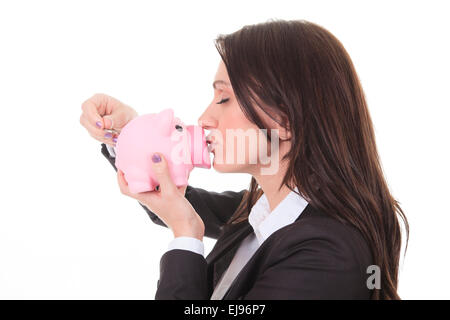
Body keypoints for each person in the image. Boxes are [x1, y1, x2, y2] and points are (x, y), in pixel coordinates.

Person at [79, 19, 409, 300]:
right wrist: (127, 135)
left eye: (223, 98)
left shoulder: (327, 255)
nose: (204, 118)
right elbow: (178, 203)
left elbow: (184, 214)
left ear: (286, 120)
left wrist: (185, 233)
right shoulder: (265, 212)